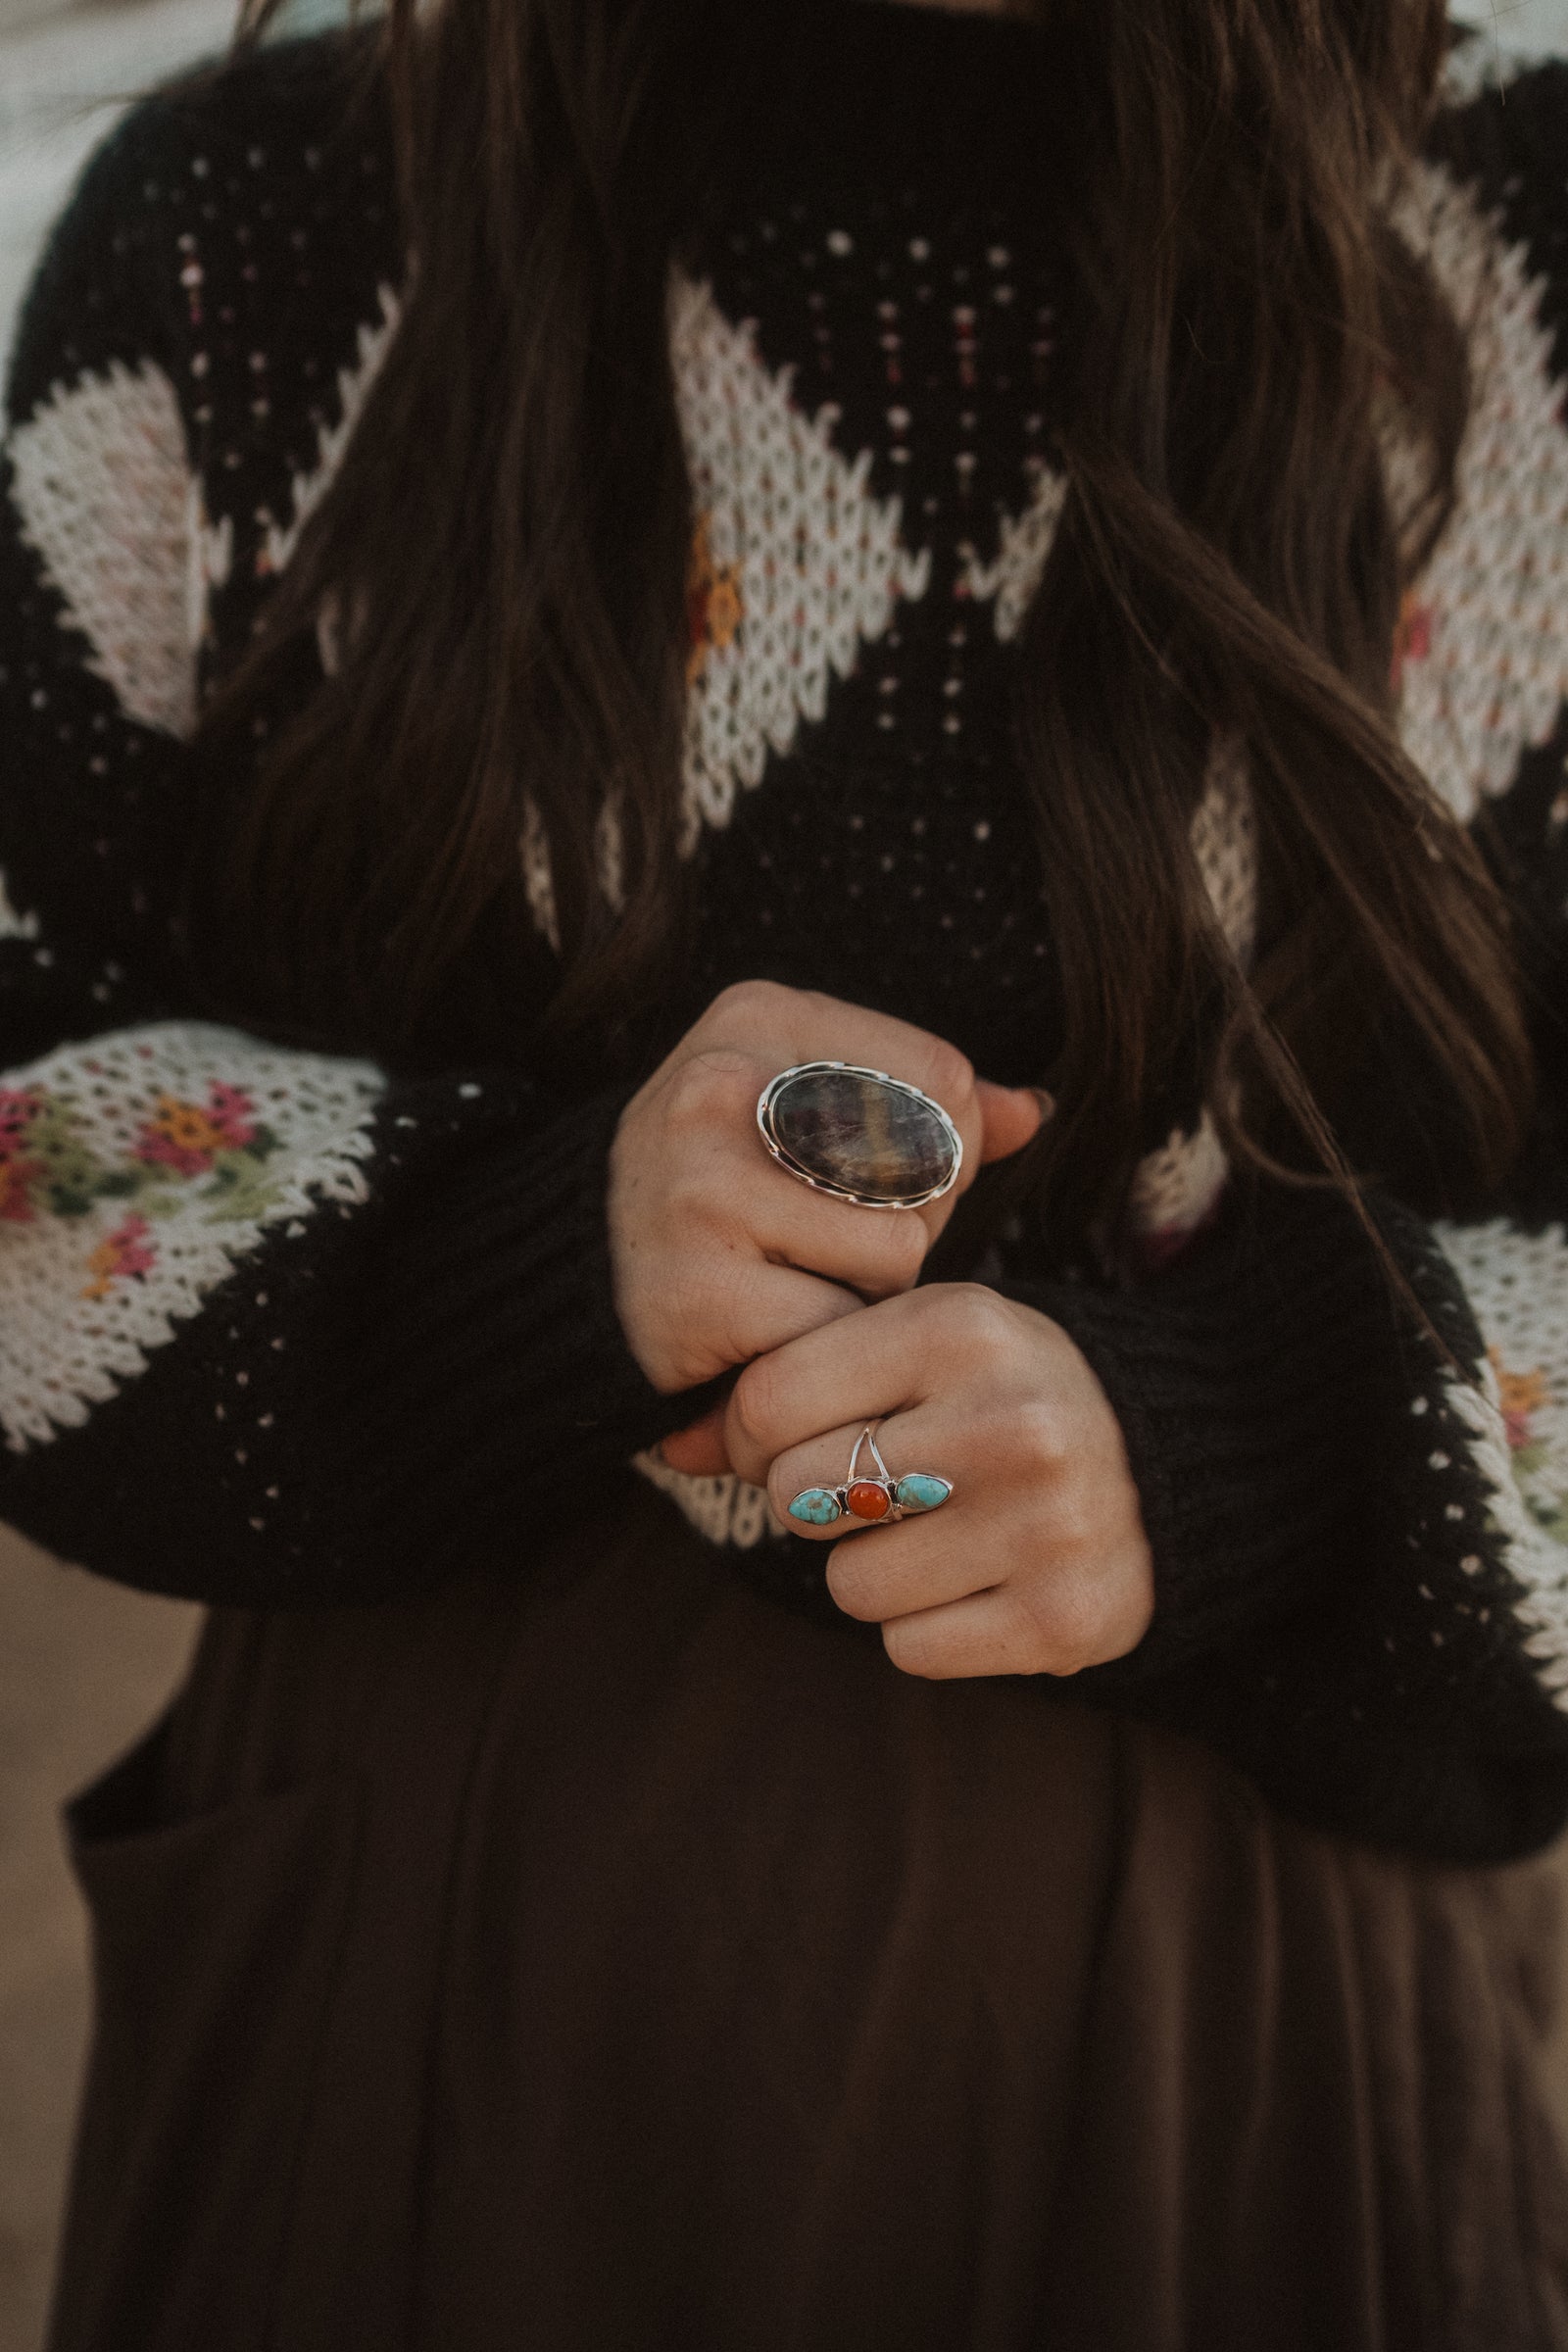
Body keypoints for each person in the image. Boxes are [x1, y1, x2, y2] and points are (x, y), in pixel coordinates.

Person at [6, 0, 1568, 2336]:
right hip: (434, 1970)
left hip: (1264, 2032)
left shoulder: (1525, 248)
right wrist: (529, 1260)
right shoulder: (256, 225)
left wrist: (1263, 1449)